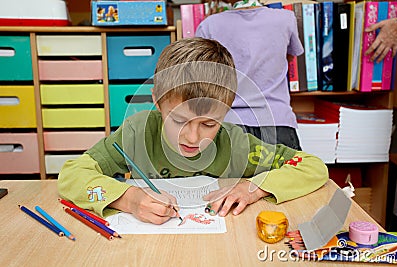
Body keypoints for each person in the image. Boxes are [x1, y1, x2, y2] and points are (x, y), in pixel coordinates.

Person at [58, 37, 328, 225]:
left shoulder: (236, 144)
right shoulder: (136, 132)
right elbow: (71, 176)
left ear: (226, 110)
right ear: (157, 100)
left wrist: (253, 187)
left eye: (209, 124)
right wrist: (127, 199)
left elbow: (312, 167)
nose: (192, 138)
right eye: (178, 120)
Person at [196, 0, 304, 150]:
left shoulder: (209, 25)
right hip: (277, 123)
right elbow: (289, 56)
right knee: (287, 173)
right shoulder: (286, 19)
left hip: (229, 125)